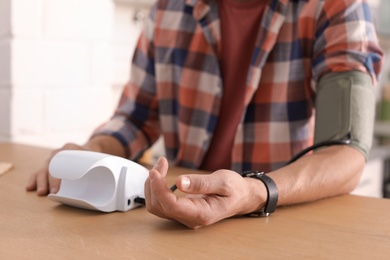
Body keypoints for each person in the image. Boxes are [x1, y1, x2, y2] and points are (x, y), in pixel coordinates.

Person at [26, 0, 383, 229]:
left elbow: (346, 151)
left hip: (278, 217)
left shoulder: (338, 6)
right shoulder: (168, 9)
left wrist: (256, 192)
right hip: (176, 219)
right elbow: (135, 118)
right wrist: (93, 151)